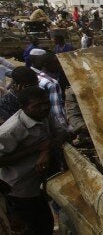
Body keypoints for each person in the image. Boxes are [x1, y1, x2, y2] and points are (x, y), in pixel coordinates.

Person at [0, 86, 67, 235]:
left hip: (38, 184)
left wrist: (45, 150)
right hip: (18, 189)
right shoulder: (10, 130)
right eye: (36, 105)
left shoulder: (43, 115)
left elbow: (61, 134)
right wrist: (35, 149)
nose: (44, 107)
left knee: (46, 223)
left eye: (46, 103)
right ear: (23, 108)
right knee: (31, 228)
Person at [32, 52, 70, 132]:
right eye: (56, 63)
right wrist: (66, 129)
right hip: (55, 125)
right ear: (46, 64)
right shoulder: (51, 83)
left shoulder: (37, 77)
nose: (59, 65)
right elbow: (56, 111)